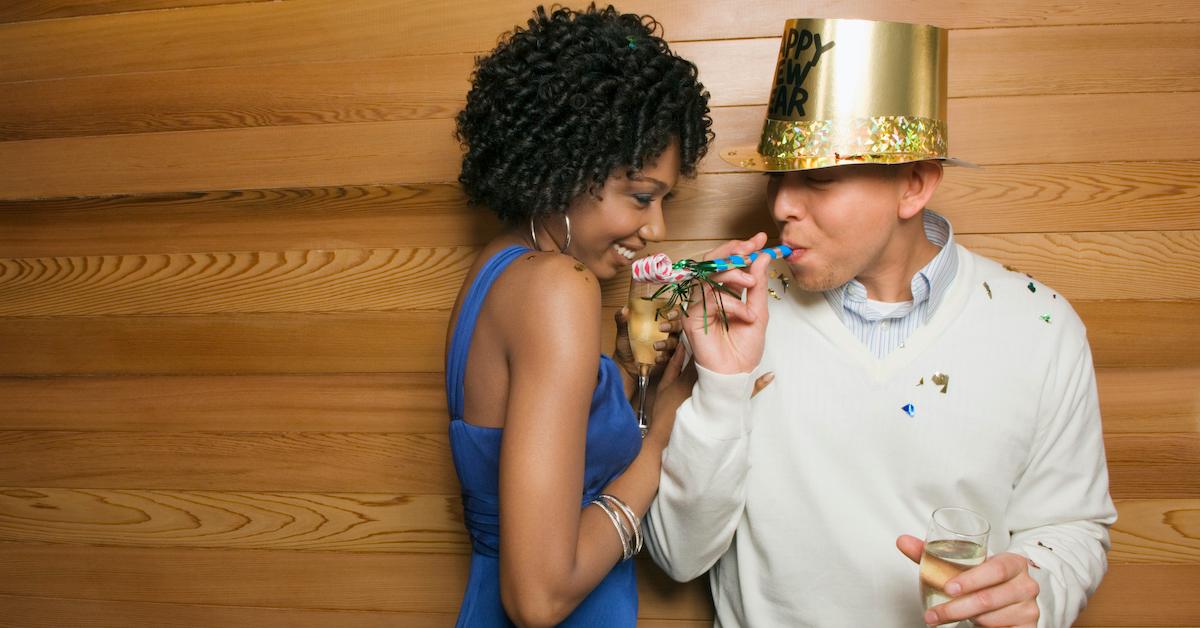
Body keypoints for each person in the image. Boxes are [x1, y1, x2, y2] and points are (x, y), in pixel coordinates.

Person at [643, 18, 1117, 627]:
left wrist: (1039, 594)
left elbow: (1071, 526)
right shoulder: (730, 318)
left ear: (913, 185)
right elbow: (677, 556)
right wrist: (723, 388)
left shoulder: (1042, 328)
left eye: (817, 178)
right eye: (777, 178)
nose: (783, 204)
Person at [445, 4, 712, 626]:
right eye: (642, 197)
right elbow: (537, 599)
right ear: (569, 168)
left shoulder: (500, 267)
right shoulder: (560, 288)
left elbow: (532, 443)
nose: (657, 228)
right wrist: (662, 441)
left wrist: (623, 375)